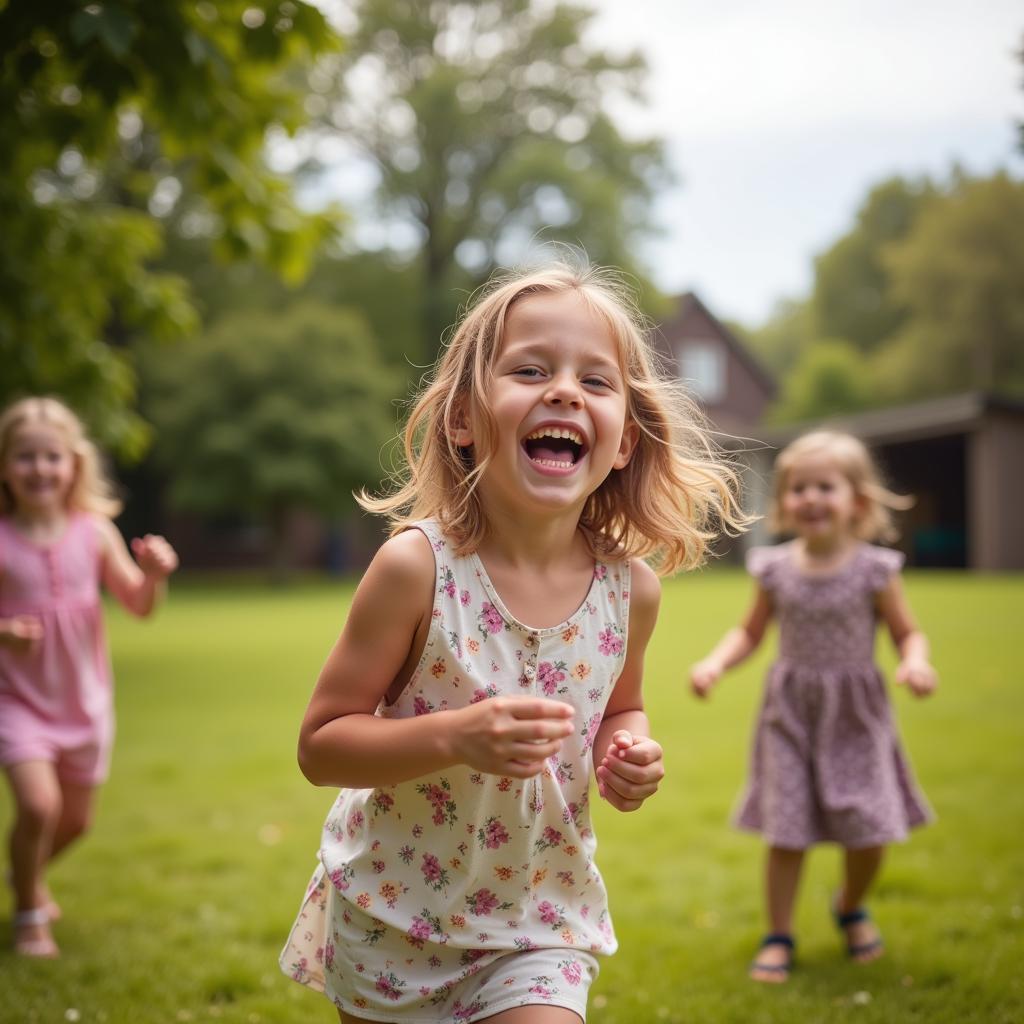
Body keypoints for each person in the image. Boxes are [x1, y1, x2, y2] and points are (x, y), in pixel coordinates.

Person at [279, 260, 749, 1023]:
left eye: (596, 383)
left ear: (624, 442)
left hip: (538, 916)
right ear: (464, 420)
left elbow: (622, 707)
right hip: (392, 914)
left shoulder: (631, 591)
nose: (564, 390)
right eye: (530, 369)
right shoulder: (417, 569)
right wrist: (457, 736)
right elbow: (322, 745)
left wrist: (624, 751)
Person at [690, 429, 936, 983]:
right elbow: (749, 634)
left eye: (825, 486)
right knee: (786, 829)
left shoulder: (876, 571)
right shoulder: (775, 569)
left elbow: (907, 634)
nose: (810, 498)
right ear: (784, 503)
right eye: (798, 488)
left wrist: (915, 662)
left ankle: (849, 904)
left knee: (871, 831)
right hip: (790, 717)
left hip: (855, 717)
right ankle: (779, 932)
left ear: (858, 502)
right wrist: (715, 663)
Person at [0, 396, 179, 958]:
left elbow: (138, 604)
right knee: (38, 806)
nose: (39, 468)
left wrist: (153, 576)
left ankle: (23, 876)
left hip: (84, 702)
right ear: (6, 465)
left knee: (74, 822)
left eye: (51, 456)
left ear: (73, 465)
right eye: (25, 457)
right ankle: (30, 915)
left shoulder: (94, 531)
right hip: (17, 699)